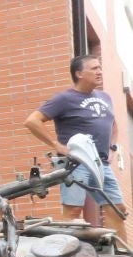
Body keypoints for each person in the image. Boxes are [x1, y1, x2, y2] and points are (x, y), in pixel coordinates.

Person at [24, 54, 128, 221]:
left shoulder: (105, 97)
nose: (100, 72)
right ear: (79, 74)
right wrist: (56, 145)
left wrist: (113, 147)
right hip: (76, 162)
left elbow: (113, 125)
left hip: (101, 163)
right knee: (73, 211)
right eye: (94, 68)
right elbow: (32, 121)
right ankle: (67, 246)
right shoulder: (64, 98)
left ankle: (119, 248)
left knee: (117, 209)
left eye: (100, 68)